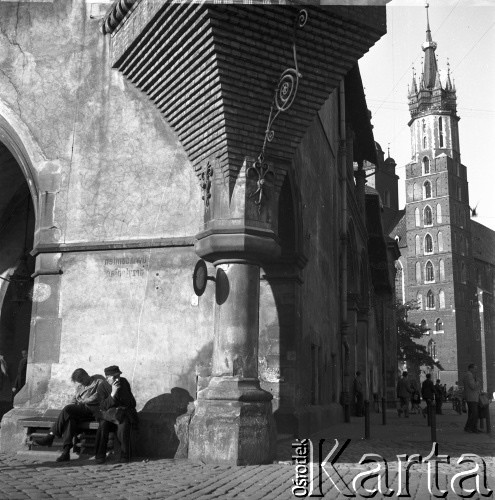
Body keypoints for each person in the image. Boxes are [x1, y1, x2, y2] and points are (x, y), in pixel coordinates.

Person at [33, 368, 110, 462]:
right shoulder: (80, 387)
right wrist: (73, 403)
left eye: (82, 380)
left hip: (93, 410)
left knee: (67, 409)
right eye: (79, 382)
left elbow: (97, 396)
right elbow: (74, 398)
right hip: (81, 410)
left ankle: (50, 436)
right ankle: (66, 452)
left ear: (86, 375)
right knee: (69, 420)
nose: (81, 383)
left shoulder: (98, 381)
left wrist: (83, 401)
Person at [94, 365, 138, 464]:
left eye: (118, 376)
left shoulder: (124, 382)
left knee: (123, 426)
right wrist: (113, 393)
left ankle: (125, 455)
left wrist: (121, 398)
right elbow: (103, 406)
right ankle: (100, 455)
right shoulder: (102, 387)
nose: (117, 379)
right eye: (114, 377)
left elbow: (131, 402)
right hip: (108, 416)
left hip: (122, 414)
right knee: (103, 426)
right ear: (107, 378)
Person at [463, 363, 481, 433]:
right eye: (475, 368)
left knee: (471, 413)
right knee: (474, 413)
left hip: (471, 396)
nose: (476, 370)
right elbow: (472, 386)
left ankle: (470, 427)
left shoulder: (469, 375)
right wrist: (478, 381)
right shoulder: (469, 375)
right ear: (471, 368)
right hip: (472, 397)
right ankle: (471, 428)